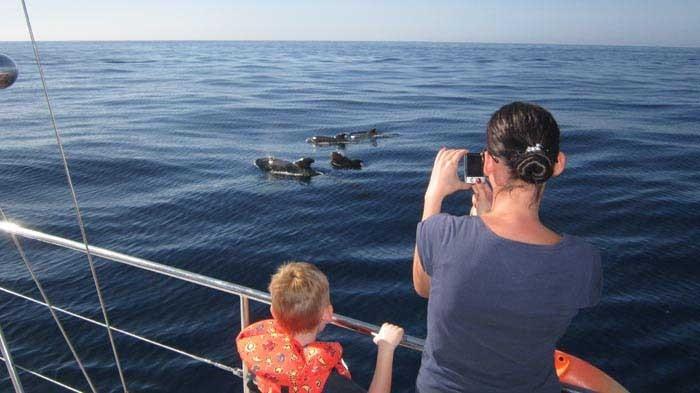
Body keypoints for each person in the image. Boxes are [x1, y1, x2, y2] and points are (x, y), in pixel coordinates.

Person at [412, 102, 602, 393]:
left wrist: (433, 197)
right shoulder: (584, 259)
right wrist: (484, 217)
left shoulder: (443, 232)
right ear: (558, 164)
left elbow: (425, 288)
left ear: (488, 163)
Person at [237, 262, 404, 393]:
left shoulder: (262, 357)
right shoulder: (328, 381)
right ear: (328, 314)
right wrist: (386, 349)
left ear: (273, 312)